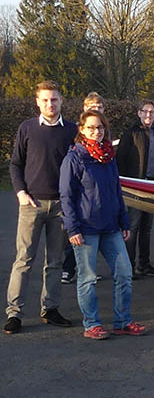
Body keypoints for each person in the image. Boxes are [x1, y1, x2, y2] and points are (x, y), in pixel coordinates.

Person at [59, 110, 146, 339]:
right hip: (86, 229)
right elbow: (66, 196)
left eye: (99, 128)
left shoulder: (108, 156)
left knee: (125, 274)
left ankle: (123, 321)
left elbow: (116, 191)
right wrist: (72, 228)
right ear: (81, 129)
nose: (96, 132)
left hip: (111, 227)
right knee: (87, 279)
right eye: (90, 128)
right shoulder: (74, 158)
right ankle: (92, 324)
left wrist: (123, 220)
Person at [4, 80, 77, 335]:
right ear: (37, 102)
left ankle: (51, 309)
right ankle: (15, 314)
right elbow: (15, 164)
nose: (50, 104)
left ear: (61, 100)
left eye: (54, 99)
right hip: (31, 204)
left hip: (61, 206)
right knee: (23, 261)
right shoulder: (27, 129)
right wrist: (21, 193)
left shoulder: (71, 130)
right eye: (45, 100)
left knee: (55, 262)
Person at [116, 99, 154, 278]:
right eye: (145, 111)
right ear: (139, 113)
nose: (148, 115)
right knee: (133, 227)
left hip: (152, 185)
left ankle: (144, 264)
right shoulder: (130, 134)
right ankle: (128, 266)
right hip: (135, 187)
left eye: (152, 112)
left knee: (147, 228)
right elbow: (120, 159)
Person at [62, 91, 106, 285]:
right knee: (73, 233)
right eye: (92, 107)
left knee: (92, 239)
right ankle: (67, 268)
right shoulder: (78, 135)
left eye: (99, 108)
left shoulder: (104, 133)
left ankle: (88, 269)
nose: (96, 110)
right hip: (79, 190)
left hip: (96, 196)